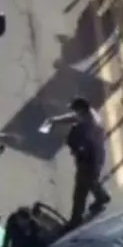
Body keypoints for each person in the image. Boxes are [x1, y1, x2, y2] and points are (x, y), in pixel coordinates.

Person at [46, 97, 110, 226]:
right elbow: (74, 118)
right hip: (95, 159)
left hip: (89, 163)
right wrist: (56, 120)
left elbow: (82, 148)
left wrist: (72, 144)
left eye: (76, 111)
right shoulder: (90, 116)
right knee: (92, 181)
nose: (74, 113)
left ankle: (75, 220)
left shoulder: (87, 130)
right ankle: (102, 197)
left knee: (80, 193)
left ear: (81, 111)